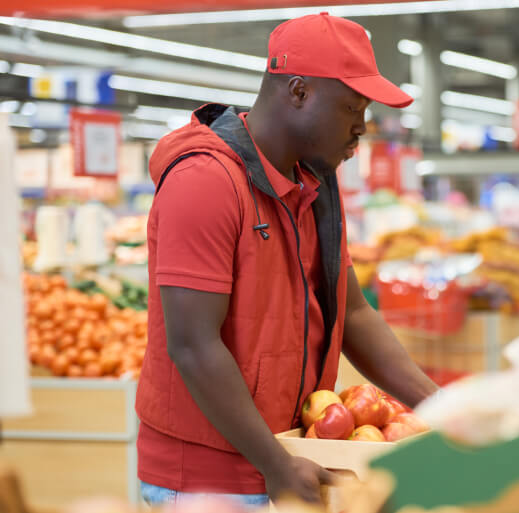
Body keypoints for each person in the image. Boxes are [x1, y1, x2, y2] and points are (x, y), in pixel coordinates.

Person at [135, 13, 439, 508]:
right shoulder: (205, 182)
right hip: (208, 479)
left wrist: (442, 406)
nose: (362, 124)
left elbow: (354, 312)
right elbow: (192, 345)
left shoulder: (313, 184)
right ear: (298, 91)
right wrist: (274, 465)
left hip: (288, 454)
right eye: (351, 105)